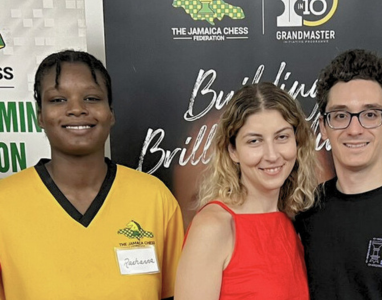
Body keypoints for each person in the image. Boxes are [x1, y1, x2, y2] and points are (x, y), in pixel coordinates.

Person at [0, 50, 184, 300]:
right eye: (57, 100)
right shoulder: (5, 203)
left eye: (91, 98)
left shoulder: (154, 198)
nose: (76, 109)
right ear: (40, 116)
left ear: (111, 113)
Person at [295, 49, 382, 300]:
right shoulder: (305, 210)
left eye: (370, 115)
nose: (354, 129)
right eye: (340, 115)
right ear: (324, 128)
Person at [174, 82, 318, 300]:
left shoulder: (292, 222)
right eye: (254, 141)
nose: (272, 155)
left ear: (297, 142)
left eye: (282, 137)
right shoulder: (214, 227)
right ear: (233, 150)